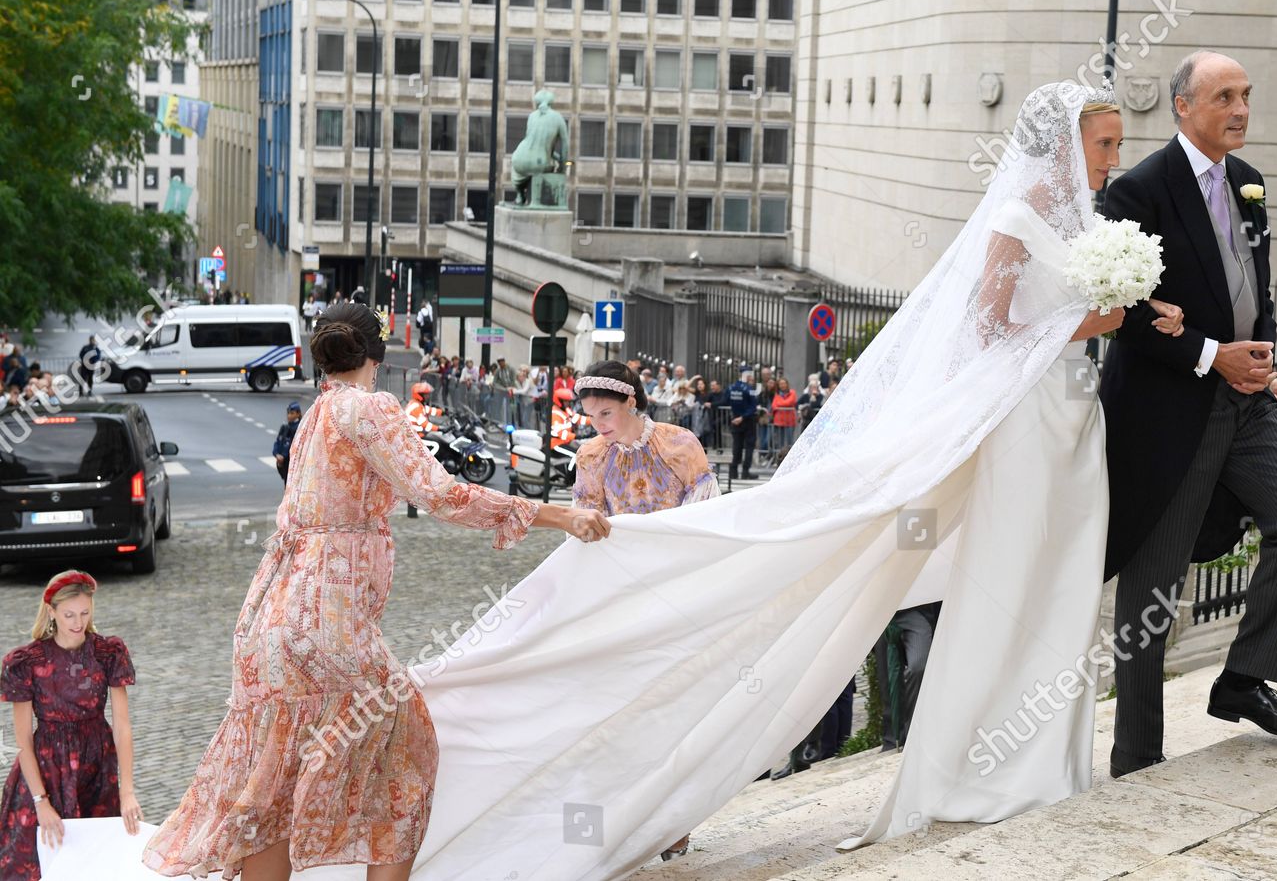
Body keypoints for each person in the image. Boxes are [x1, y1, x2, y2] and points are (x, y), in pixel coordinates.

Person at [329, 83, 1189, 881]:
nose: (1113, 159)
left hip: (1075, 418)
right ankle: (990, 766)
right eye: (1104, 144)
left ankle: (1045, 757)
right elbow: (991, 323)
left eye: (1115, 144)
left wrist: (1131, 315)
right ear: (1064, 149)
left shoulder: (1082, 218)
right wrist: (1100, 315)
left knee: (1061, 587)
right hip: (1025, 418)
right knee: (1012, 580)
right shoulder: (1013, 212)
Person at [142, 300, 607, 880]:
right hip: (327, 628)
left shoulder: (315, 414)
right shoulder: (370, 409)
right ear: (378, 356)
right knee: (410, 754)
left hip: (267, 628)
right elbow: (442, 495)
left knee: (273, 785)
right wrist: (554, 515)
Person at [1100, 50, 1277, 783]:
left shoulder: (1249, 183)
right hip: (1169, 416)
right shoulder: (1138, 192)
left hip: (1248, 403)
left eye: (1245, 95)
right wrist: (1210, 354)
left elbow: (1252, 285)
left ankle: (1243, 681)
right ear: (1182, 106)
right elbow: (1119, 312)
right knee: (1153, 594)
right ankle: (1138, 757)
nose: (1239, 109)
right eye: (1223, 96)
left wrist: (1262, 363)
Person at [569, 360, 721, 861]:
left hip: (680, 596)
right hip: (622, 600)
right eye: (591, 416)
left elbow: (707, 517)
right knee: (629, 714)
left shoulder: (679, 444)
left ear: (632, 401)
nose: (599, 425)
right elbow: (585, 526)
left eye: (607, 413)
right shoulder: (591, 456)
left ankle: (675, 827)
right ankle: (629, 820)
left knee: (676, 710)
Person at [1, 571, 142, 881]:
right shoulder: (26, 662)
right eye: (68, 614)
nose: (78, 622)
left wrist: (128, 791)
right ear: (51, 611)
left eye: (84, 612)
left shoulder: (108, 653)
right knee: (36, 866)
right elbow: (22, 738)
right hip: (45, 773)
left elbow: (122, 726)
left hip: (97, 771)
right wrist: (41, 802)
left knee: (96, 864)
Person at [727, 369, 758, 480]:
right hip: (748, 421)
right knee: (749, 447)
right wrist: (743, 417)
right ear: (748, 377)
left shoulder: (731, 388)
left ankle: (733, 472)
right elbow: (753, 406)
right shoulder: (750, 389)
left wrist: (736, 417)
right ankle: (745, 472)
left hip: (735, 420)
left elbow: (726, 401)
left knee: (737, 447)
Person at [271, 401, 302, 483]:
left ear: (298, 414)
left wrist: (284, 456)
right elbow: (278, 441)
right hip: (282, 462)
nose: (289, 416)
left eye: (292, 413)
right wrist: (276, 454)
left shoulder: (299, 428)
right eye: (288, 413)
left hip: (291, 462)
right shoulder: (284, 427)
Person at [771, 377, 799, 453]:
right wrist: (782, 404)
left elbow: (790, 402)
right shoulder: (777, 394)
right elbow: (773, 405)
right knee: (780, 442)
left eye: (784, 383)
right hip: (779, 421)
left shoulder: (792, 392)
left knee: (790, 441)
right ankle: (780, 458)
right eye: (780, 384)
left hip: (789, 421)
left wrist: (779, 404)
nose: (782, 385)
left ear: (787, 384)